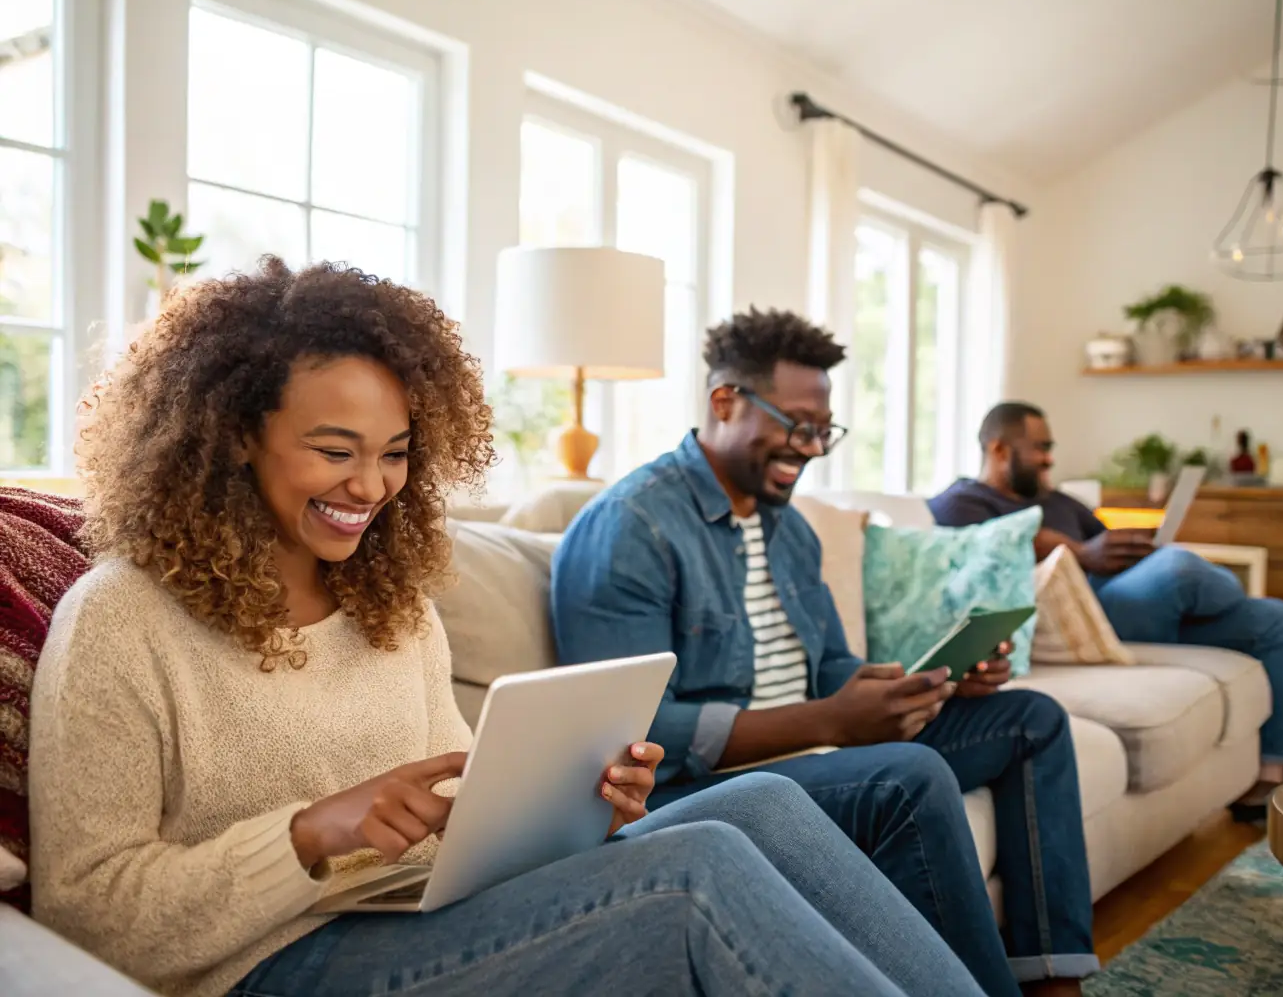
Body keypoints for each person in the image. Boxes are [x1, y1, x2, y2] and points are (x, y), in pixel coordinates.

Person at [28, 262, 988, 997]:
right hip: (273, 962)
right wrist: (309, 835)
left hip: (423, 911)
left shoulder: (390, 605)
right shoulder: (122, 620)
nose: (371, 487)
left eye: (396, 454)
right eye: (335, 451)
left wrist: (581, 802)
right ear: (234, 434)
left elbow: (461, 804)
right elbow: (90, 915)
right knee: (692, 871)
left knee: (768, 810)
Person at [552, 308, 1097, 997]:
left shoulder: (789, 529)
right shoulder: (631, 526)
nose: (810, 448)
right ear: (725, 402)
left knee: (1031, 720)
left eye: (821, 431)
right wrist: (831, 723)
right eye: (796, 425)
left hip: (813, 752)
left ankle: (1054, 977)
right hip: (694, 791)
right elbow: (633, 735)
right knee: (908, 775)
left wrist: (931, 682)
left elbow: (830, 667)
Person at [928, 401, 1283, 819]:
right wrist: (1081, 552)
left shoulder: (1060, 501)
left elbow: (1105, 545)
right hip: (1085, 615)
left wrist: (1129, 547)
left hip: (1130, 602)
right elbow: (988, 543)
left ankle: (1270, 778)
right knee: (1178, 568)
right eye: (1040, 447)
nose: (1049, 458)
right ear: (999, 450)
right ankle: (1221, 591)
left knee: (1278, 619)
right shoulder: (964, 500)